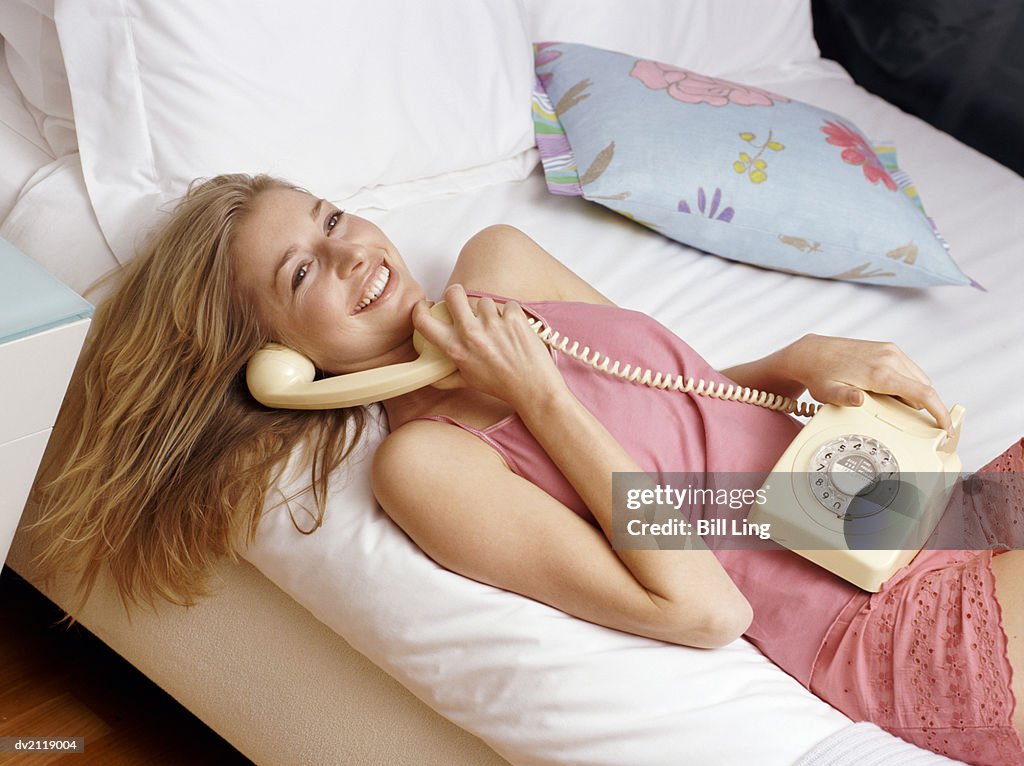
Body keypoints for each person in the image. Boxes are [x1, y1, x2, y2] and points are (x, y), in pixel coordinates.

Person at [31, 174, 1024, 764]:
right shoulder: (427, 464)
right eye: (299, 274)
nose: (348, 256)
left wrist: (789, 365)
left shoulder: (501, 264)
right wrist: (536, 395)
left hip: (913, 499)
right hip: (885, 613)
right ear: (280, 363)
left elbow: (676, 405)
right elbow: (702, 607)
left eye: (331, 220)